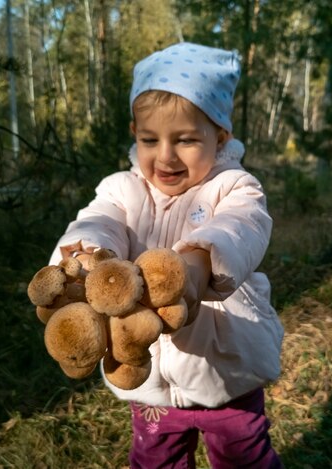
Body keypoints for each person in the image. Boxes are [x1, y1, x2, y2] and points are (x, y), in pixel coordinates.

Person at [48, 42, 284, 468]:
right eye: (149, 139)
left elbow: (241, 227)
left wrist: (197, 265)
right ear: (134, 133)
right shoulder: (123, 189)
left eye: (186, 139)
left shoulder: (234, 186)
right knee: (157, 459)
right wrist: (85, 258)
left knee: (245, 458)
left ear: (221, 136)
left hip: (228, 371)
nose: (166, 156)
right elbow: (99, 221)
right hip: (153, 382)